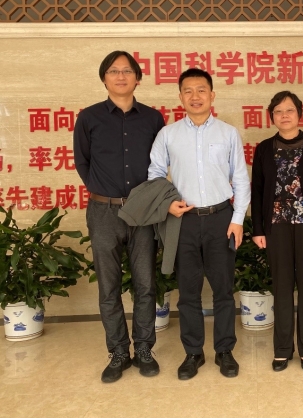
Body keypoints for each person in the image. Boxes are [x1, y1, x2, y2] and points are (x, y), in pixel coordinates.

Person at [148, 68, 250, 380]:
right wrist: (167, 204)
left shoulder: (228, 133)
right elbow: (155, 174)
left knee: (223, 290)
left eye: (201, 90)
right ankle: (193, 353)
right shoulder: (168, 135)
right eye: (188, 91)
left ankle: (224, 350)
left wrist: (237, 220)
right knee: (188, 292)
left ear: (212, 95)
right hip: (184, 222)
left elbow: (240, 179)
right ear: (180, 97)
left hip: (221, 219)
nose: (195, 96)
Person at [73, 50, 165, 383]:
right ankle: (118, 352)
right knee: (109, 287)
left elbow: (160, 163)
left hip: (143, 212)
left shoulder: (153, 119)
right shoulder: (89, 117)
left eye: (127, 71)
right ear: (104, 78)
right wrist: (103, 192)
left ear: (138, 78)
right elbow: (82, 161)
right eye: (114, 71)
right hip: (103, 212)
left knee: (145, 284)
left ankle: (144, 349)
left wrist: (146, 200)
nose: (121, 76)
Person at [251, 91, 303, 373]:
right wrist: (258, 229)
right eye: (278, 111)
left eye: (289, 110)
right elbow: (257, 190)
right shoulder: (264, 148)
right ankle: (282, 349)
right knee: (282, 288)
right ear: (272, 116)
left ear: (300, 113)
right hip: (276, 227)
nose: (284, 115)